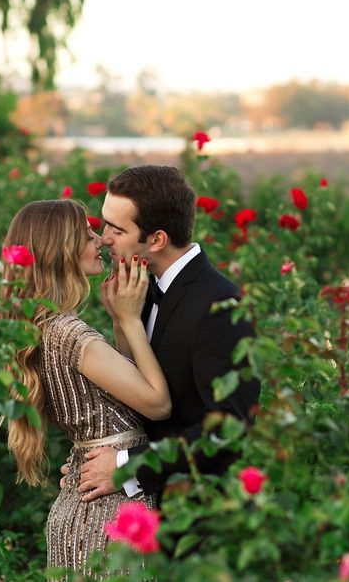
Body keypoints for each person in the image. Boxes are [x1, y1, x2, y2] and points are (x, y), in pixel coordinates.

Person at [0, 199, 171, 574]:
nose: (100, 241)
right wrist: (129, 320)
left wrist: (117, 320)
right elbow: (156, 403)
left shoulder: (47, 327)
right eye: (88, 234)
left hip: (85, 504)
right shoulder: (71, 334)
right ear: (62, 250)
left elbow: (113, 400)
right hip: (108, 518)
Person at [73, 165, 260, 502]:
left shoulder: (220, 305)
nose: (103, 239)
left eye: (117, 229)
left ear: (157, 239)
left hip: (200, 518)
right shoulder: (139, 287)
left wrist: (126, 465)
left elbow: (228, 428)